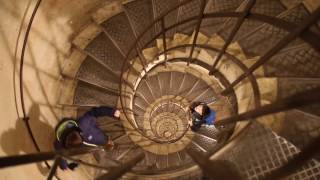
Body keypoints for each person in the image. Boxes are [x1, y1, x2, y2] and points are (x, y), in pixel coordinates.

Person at [54, 106, 121, 170]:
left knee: (100, 139)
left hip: (99, 138)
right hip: (96, 141)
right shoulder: (62, 143)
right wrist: (64, 165)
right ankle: (106, 144)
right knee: (97, 142)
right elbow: (60, 152)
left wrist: (111, 112)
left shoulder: (84, 123)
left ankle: (107, 142)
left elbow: (94, 112)